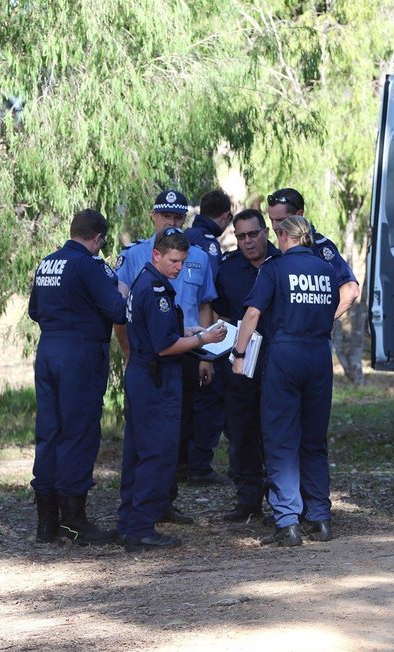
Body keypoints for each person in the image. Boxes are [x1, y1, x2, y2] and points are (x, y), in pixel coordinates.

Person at [117, 229, 228, 551]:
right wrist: (203, 340)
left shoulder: (144, 283)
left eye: (182, 262)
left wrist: (194, 329)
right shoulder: (156, 289)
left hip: (142, 375)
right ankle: (141, 528)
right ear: (157, 255)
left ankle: (129, 522)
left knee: (137, 452)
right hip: (157, 379)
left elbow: (160, 328)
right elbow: (165, 346)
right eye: (174, 261)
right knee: (157, 453)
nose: (179, 268)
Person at [231, 215, 338, 546]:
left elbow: (252, 314)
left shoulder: (275, 269)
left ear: (281, 236)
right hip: (319, 355)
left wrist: (239, 353)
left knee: (280, 437)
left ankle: (288, 520)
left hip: (285, 355)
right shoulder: (326, 270)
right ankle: (319, 518)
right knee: (314, 438)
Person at [28, 208, 128, 546]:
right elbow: (116, 311)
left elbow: (34, 311)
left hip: (49, 351)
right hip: (80, 354)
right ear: (97, 238)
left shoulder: (47, 263)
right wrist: (121, 292)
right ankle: (74, 521)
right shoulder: (88, 265)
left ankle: (46, 523)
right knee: (79, 433)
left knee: (49, 432)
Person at [213, 209, 279, 522]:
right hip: (239, 361)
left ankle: (281, 501)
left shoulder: (283, 262)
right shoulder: (227, 269)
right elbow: (221, 314)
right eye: (241, 236)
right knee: (241, 430)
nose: (248, 241)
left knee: (276, 431)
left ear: (266, 231)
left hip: (277, 360)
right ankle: (247, 500)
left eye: (253, 234)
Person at [182, 188, 234, 487]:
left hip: (178, 336)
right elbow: (209, 296)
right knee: (210, 399)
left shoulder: (184, 237)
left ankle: (184, 464)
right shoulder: (208, 246)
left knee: (188, 403)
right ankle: (200, 466)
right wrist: (212, 348)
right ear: (225, 216)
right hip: (202, 337)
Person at [265, 187, 359, 319]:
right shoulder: (278, 250)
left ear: (299, 215)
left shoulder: (319, 248)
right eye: (271, 220)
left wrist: (321, 325)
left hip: (309, 338)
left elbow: (350, 290)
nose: (275, 226)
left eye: (281, 220)